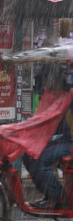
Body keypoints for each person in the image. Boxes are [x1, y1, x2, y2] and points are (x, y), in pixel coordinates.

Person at [22, 65, 73, 209]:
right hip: (65, 140)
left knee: (39, 161)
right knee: (28, 156)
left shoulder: (68, 96)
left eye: (46, 80)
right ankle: (49, 194)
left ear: (53, 80)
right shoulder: (56, 95)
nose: (45, 85)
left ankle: (59, 197)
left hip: (70, 143)